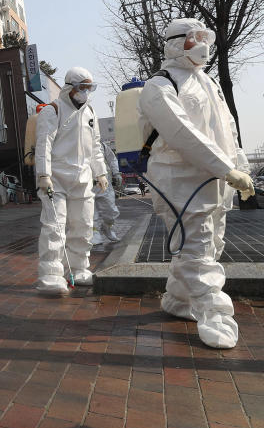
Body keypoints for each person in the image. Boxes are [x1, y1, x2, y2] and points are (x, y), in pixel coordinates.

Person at [138, 18, 253, 349]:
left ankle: (177, 300)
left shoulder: (210, 83)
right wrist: (225, 169)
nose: (202, 44)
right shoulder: (159, 86)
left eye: (205, 38)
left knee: (209, 245)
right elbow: (180, 132)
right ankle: (214, 316)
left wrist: (238, 168)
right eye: (193, 39)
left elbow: (227, 130)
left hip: (215, 179)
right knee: (197, 249)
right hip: (179, 180)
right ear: (175, 43)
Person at [33, 67, 107, 294]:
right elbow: (43, 143)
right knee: (54, 228)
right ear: (69, 87)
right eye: (81, 87)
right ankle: (50, 275)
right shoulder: (52, 111)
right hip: (57, 179)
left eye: (89, 87)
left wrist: (100, 172)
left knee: (83, 226)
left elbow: (95, 146)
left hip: (83, 179)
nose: (85, 92)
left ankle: (80, 268)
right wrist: (43, 174)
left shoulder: (90, 113)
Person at [94, 142, 121, 242]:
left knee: (111, 211)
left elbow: (112, 159)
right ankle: (94, 233)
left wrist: (116, 173)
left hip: (104, 184)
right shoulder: (75, 143)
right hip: (86, 185)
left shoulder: (102, 145)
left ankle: (107, 227)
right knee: (90, 214)